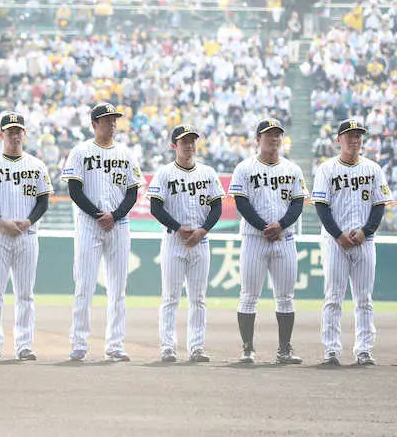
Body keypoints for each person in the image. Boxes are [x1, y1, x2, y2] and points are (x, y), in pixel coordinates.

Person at [64, 102, 144, 362]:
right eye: (107, 119)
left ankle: (115, 345)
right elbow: (74, 190)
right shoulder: (80, 151)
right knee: (84, 285)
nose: (112, 123)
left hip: (119, 225)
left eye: (114, 119)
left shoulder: (126, 153)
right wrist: (99, 215)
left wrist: (115, 215)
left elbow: (133, 191)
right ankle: (79, 343)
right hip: (89, 224)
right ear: (94, 124)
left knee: (118, 289)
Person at [312, 119, 392, 366]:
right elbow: (321, 207)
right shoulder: (326, 169)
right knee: (333, 296)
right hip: (335, 242)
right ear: (339, 140)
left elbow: (379, 205)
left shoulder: (373, 169)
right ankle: (331, 351)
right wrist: (338, 234)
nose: (355, 139)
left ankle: (364, 350)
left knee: (364, 298)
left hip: (364, 242)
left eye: (358, 135)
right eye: (350, 135)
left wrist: (366, 231)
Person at [228, 118, 307, 365]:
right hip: (254, 238)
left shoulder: (293, 169)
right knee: (249, 295)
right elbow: (242, 203)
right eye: (268, 134)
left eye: (277, 134)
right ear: (257, 140)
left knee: (285, 296)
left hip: (284, 238)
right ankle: (247, 349)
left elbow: (297, 203)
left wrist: (280, 225)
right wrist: (264, 226)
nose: (274, 138)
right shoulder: (245, 167)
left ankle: (284, 349)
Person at [0, 112, 52, 361]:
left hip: (27, 234)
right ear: (1, 134)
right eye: (10, 131)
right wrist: (0, 221)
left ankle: (24, 345)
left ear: (24, 134)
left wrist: (29, 221)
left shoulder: (37, 165)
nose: (15, 135)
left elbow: (43, 201)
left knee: (25, 293)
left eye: (18, 131)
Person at [148, 125, 224, 363]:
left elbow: (217, 207)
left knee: (198, 298)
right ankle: (168, 347)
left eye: (192, 141)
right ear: (174, 146)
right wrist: (178, 227)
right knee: (170, 297)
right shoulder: (164, 173)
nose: (189, 145)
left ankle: (196, 348)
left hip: (201, 242)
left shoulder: (208, 173)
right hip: (174, 241)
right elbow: (155, 207)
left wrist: (202, 231)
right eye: (184, 141)